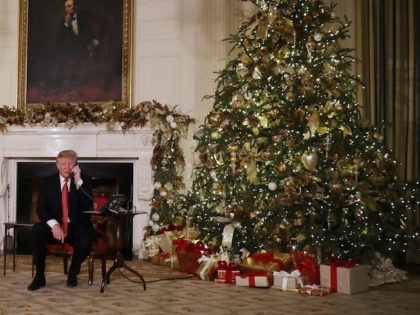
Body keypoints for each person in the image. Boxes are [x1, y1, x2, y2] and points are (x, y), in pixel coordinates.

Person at [28, 150, 95, 291]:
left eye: (70, 164)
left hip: (76, 226)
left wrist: (78, 181)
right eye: (63, 164)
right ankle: (40, 276)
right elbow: (41, 208)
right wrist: (54, 225)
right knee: (37, 233)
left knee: (86, 240)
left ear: (75, 165)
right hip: (55, 225)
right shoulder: (47, 182)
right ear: (57, 165)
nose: (66, 167)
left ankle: (73, 272)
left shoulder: (84, 180)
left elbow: (88, 204)